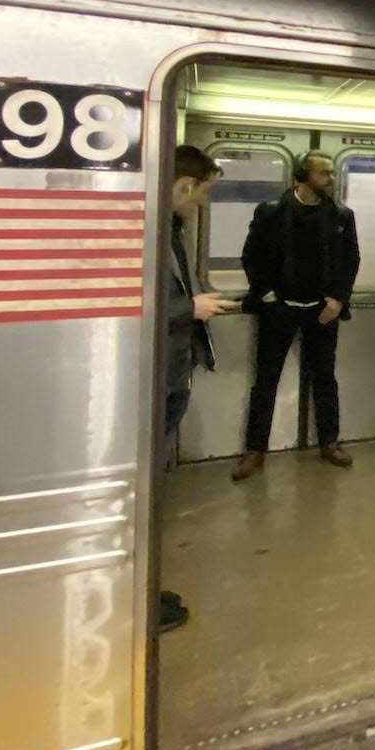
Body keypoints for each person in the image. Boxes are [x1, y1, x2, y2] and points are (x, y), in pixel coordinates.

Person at [232, 152, 361, 481]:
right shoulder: (271, 212)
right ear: (304, 176)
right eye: (324, 173)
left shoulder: (341, 216)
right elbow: (251, 256)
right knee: (266, 380)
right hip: (279, 309)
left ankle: (329, 442)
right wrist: (266, 295)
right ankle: (255, 449)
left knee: (325, 378)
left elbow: (350, 261)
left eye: (332, 173)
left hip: (322, 310)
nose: (331, 179)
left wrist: (338, 300)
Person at [162, 145, 237, 631]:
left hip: (175, 367)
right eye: (202, 193)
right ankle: (138, 596)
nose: (203, 203)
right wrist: (189, 308)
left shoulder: (174, 230)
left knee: (158, 480)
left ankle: (144, 584)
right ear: (185, 185)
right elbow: (130, 303)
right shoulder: (144, 231)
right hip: (157, 371)